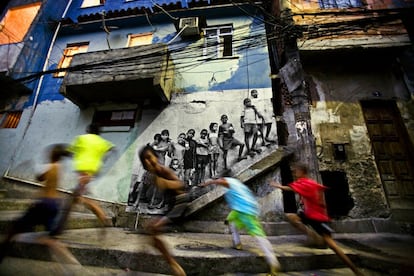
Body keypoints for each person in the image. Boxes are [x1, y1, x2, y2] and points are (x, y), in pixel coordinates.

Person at [270, 163, 364, 276]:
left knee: (333, 246)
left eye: (296, 171)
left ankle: (356, 271)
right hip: (308, 215)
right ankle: (312, 234)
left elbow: (291, 188)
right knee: (291, 217)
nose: (294, 173)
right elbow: (318, 195)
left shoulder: (306, 183)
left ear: (302, 172)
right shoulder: (308, 183)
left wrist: (279, 186)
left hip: (317, 218)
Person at [0, 144, 80, 269]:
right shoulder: (60, 168)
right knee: (51, 239)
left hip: (44, 203)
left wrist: (33, 164)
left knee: (15, 229)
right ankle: (74, 265)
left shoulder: (51, 166)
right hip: (54, 204)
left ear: (53, 155)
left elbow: (40, 177)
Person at [200, 171, 280, 276]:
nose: (219, 181)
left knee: (258, 235)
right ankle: (237, 244)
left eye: (220, 178)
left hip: (245, 211)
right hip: (240, 210)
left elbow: (222, 181)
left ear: (224, 177)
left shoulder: (229, 181)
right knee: (231, 221)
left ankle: (273, 262)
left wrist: (209, 182)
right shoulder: (236, 183)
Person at [51, 124, 114, 236]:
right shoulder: (101, 142)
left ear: (88, 130)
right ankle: (101, 216)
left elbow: (70, 151)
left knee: (74, 199)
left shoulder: (81, 138)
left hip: (83, 173)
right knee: (76, 198)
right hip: (91, 173)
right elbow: (112, 149)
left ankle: (58, 229)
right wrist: (100, 161)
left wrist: (62, 154)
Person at [139, 145, 189, 276]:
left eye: (150, 158)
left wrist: (167, 183)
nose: (149, 162)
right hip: (172, 205)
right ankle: (168, 260)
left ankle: (173, 264)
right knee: (152, 230)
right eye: (145, 161)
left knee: (154, 228)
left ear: (156, 157)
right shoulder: (153, 174)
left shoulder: (163, 170)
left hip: (180, 203)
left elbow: (181, 184)